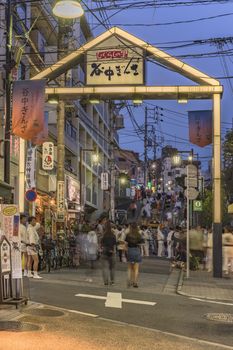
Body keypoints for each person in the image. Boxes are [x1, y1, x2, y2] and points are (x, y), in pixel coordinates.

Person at [125, 222, 143, 288]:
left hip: (130, 250)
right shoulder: (139, 235)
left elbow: (125, 244)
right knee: (136, 268)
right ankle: (135, 282)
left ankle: (129, 281)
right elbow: (142, 243)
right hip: (137, 251)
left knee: (130, 268)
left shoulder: (128, 235)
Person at [101, 220, 117, 285]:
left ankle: (106, 281)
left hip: (104, 252)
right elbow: (115, 244)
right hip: (112, 252)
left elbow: (101, 243)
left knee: (105, 267)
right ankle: (112, 281)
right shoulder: (113, 235)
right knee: (112, 268)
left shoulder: (104, 235)